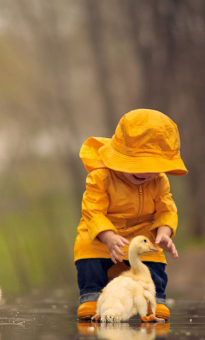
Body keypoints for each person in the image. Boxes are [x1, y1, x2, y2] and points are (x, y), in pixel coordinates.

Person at [74, 109, 187, 321]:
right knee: (87, 252)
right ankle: (92, 296)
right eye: (137, 164)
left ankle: (153, 300)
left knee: (154, 258)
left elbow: (166, 208)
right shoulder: (101, 176)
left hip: (142, 232)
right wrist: (107, 236)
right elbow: (92, 209)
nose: (146, 173)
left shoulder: (159, 181)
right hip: (103, 233)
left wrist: (164, 231)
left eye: (154, 166)